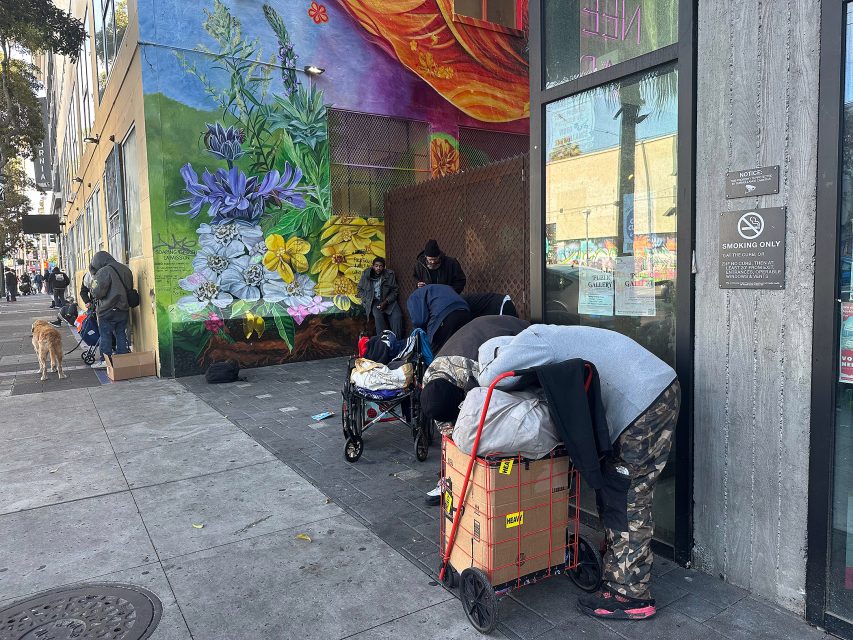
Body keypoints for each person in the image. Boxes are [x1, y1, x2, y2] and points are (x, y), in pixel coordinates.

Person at [478, 325, 680, 621]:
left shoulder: (532, 339)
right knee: (623, 488)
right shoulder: (557, 336)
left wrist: (488, 370)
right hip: (658, 389)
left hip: (644, 401)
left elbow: (491, 379)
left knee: (626, 496)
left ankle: (629, 595)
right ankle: (620, 558)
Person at [419, 314, 530, 505]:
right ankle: (452, 478)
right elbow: (449, 432)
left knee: (502, 420)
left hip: (514, 332)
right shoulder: (430, 380)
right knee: (463, 435)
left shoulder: (481, 374)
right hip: (479, 333)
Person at [88, 251, 134, 369]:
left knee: (105, 335)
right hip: (123, 308)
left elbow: (96, 292)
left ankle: (105, 360)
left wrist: (94, 277)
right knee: (120, 333)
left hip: (107, 309)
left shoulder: (103, 271)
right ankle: (123, 359)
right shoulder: (125, 269)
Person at [406, 284, 471, 352]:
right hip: (465, 310)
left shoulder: (413, 297)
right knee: (461, 346)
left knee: (433, 351)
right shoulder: (438, 287)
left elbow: (419, 321)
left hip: (444, 315)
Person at [357, 257, 404, 337]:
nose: (378, 268)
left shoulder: (390, 274)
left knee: (397, 316)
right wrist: (367, 300)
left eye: (381, 266)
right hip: (374, 301)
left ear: (384, 267)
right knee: (378, 317)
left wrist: (386, 301)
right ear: (372, 266)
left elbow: (394, 291)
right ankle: (383, 343)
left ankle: (397, 342)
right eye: (376, 266)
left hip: (388, 300)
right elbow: (359, 289)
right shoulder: (366, 274)